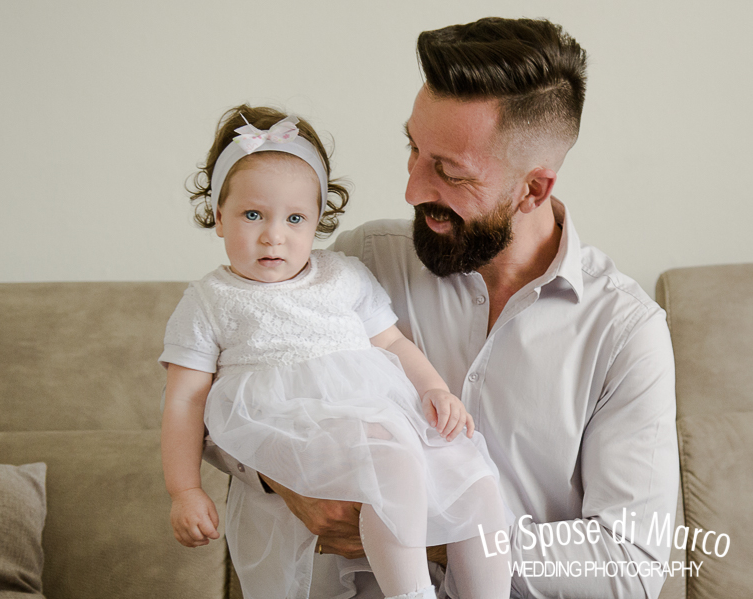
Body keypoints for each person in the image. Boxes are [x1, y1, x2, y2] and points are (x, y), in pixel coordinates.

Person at [207, 18, 680, 599]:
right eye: (413, 148)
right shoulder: (358, 265)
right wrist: (282, 480)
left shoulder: (625, 333)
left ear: (534, 189)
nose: (411, 189)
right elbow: (211, 394)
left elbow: (628, 565)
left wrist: (426, 532)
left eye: (450, 172)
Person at [160, 104, 513, 599]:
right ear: (219, 217)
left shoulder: (342, 275)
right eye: (253, 214)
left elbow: (392, 342)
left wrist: (434, 389)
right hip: (293, 428)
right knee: (392, 462)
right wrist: (185, 489)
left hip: (376, 418)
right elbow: (184, 400)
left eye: (295, 218)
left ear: (317, 222)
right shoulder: (210, 301)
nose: (273, 235)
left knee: (473, 476)